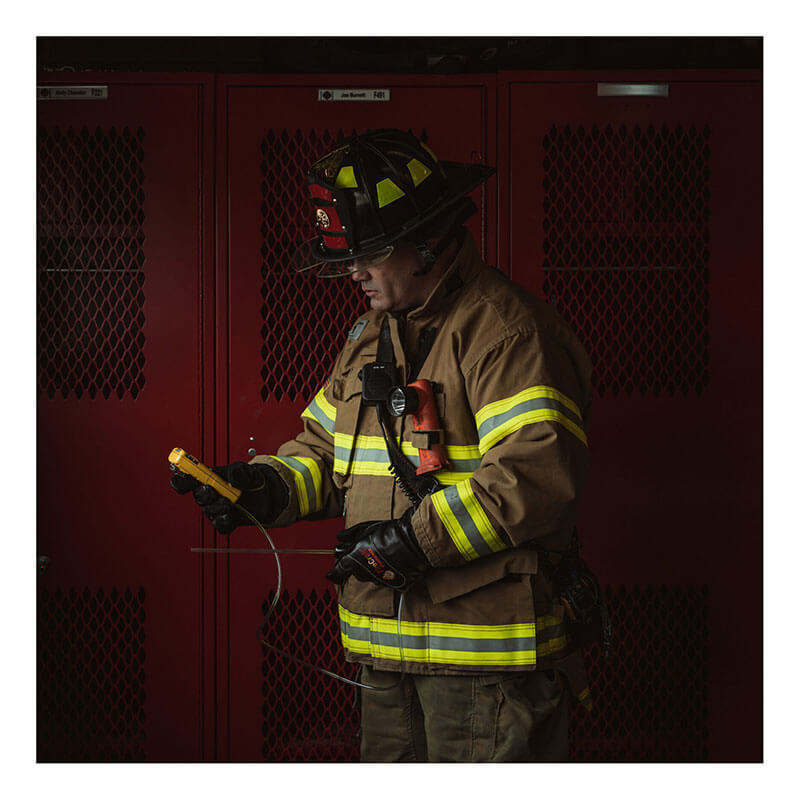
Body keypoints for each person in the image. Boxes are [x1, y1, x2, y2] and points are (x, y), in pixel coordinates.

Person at [171, 129, 595, 762]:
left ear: (429, 239)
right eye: (348, 256)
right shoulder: (372, 335)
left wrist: (410, 541)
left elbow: (534, 477)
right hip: (388, 655)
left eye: (370, 252)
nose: (353, 272)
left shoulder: (507, 334)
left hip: (483, 661)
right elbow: (325, 451)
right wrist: (264, 487)